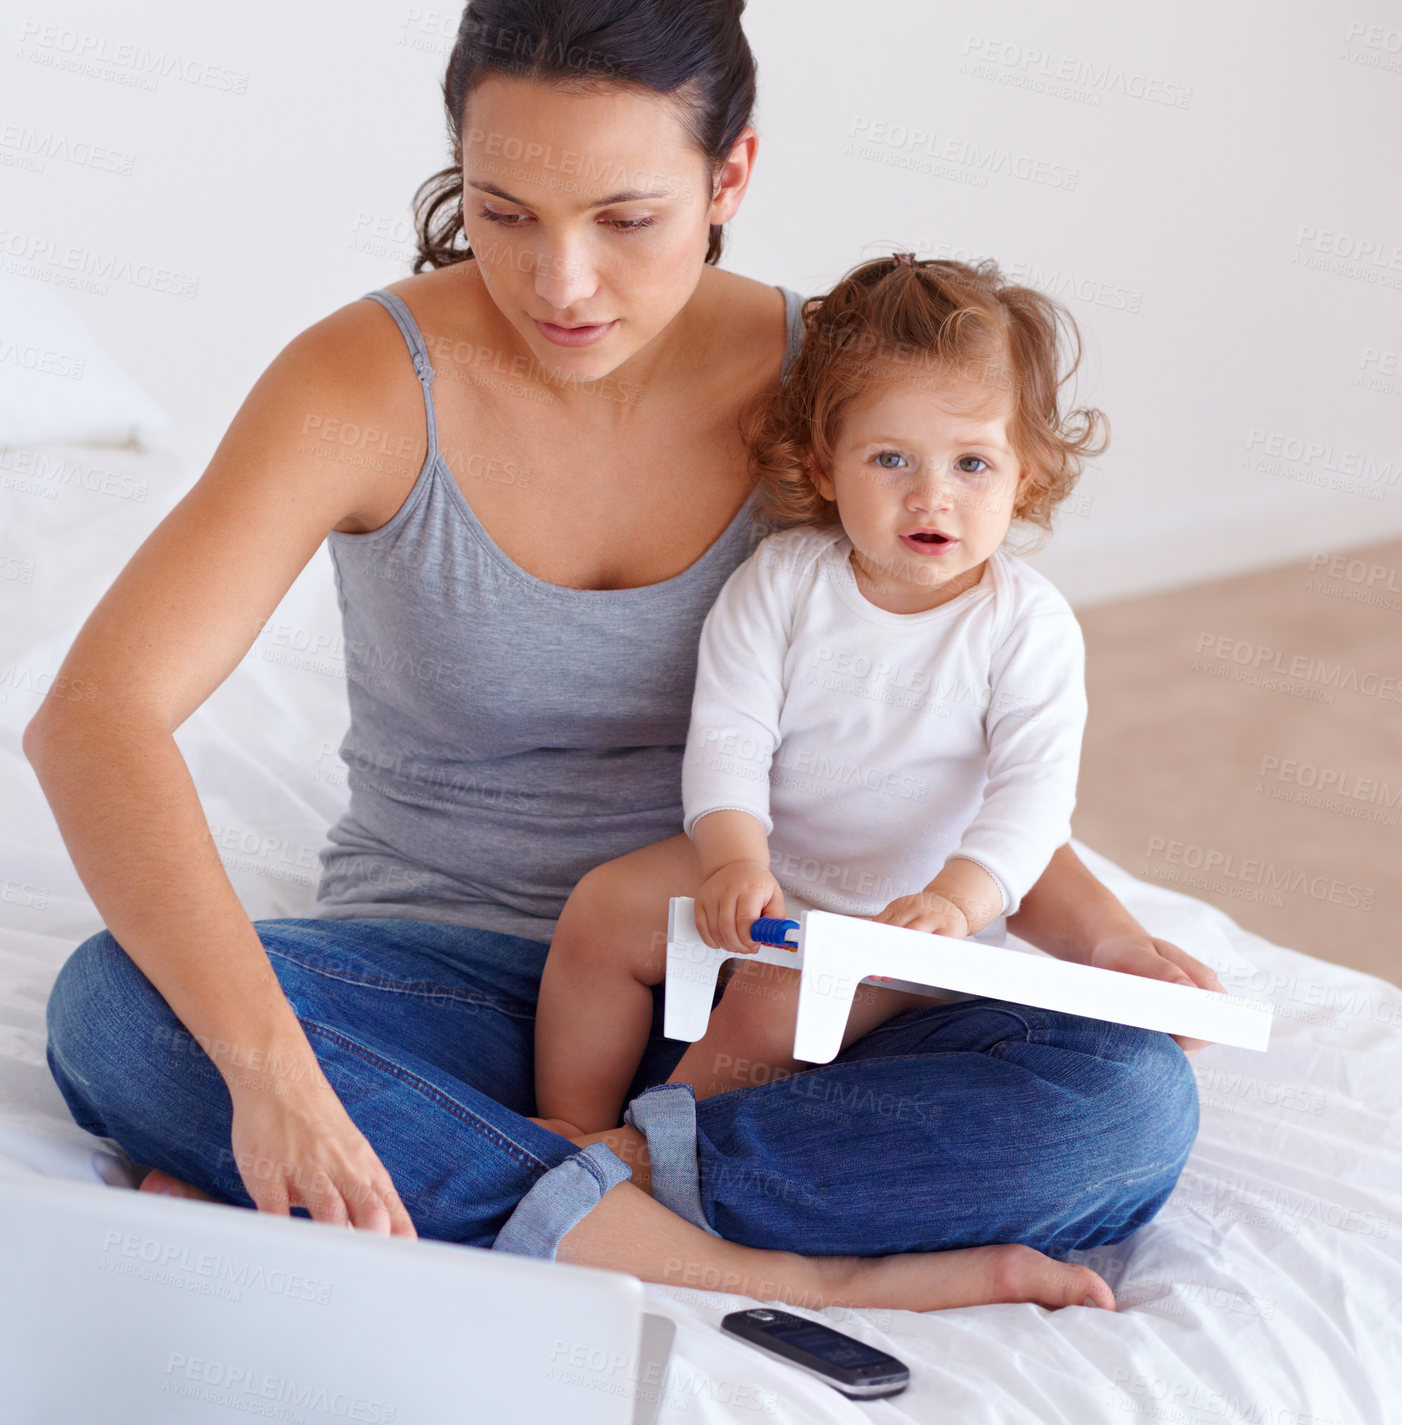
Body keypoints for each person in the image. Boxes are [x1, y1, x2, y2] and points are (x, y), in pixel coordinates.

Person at [31, 0, 1218, 1316]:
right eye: (505, 213)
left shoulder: (838, 393)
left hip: (777, 978)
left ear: (730, 179)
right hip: (456, 986)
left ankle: (506, 1191)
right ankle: (790, 1268)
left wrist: (1101, 936)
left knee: (1122, 1106)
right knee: (122, 1011)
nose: (560, 284)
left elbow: (931, 722)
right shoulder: (363, 383)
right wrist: (273, 1081)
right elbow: (94, 720)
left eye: (625, 219)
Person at [532, 251, 1107, 1136]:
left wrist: (955, 901)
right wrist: (731, 859)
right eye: (890, 457)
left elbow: (1033, 798)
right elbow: (729, 735)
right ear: (826, 466)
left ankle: (643, 1154)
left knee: (777, 998)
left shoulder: (1025, 626)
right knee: (600, 911)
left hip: (908, 910)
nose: (931, 495)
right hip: (775, 865)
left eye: (972, 465)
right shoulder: (783, 580)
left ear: (1024, 475)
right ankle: (565, 1126)